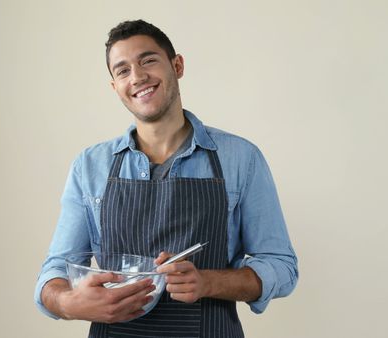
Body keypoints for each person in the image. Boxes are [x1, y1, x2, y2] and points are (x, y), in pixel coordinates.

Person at [34, 19, 298, 338]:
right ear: (115, 87)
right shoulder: (90, 166)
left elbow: (282, 267)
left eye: (148, 60)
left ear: (177, 65)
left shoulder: (241, 158)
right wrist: (70, 303)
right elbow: (55, 272)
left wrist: (208, 281)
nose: (138, 76)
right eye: (123, 70)